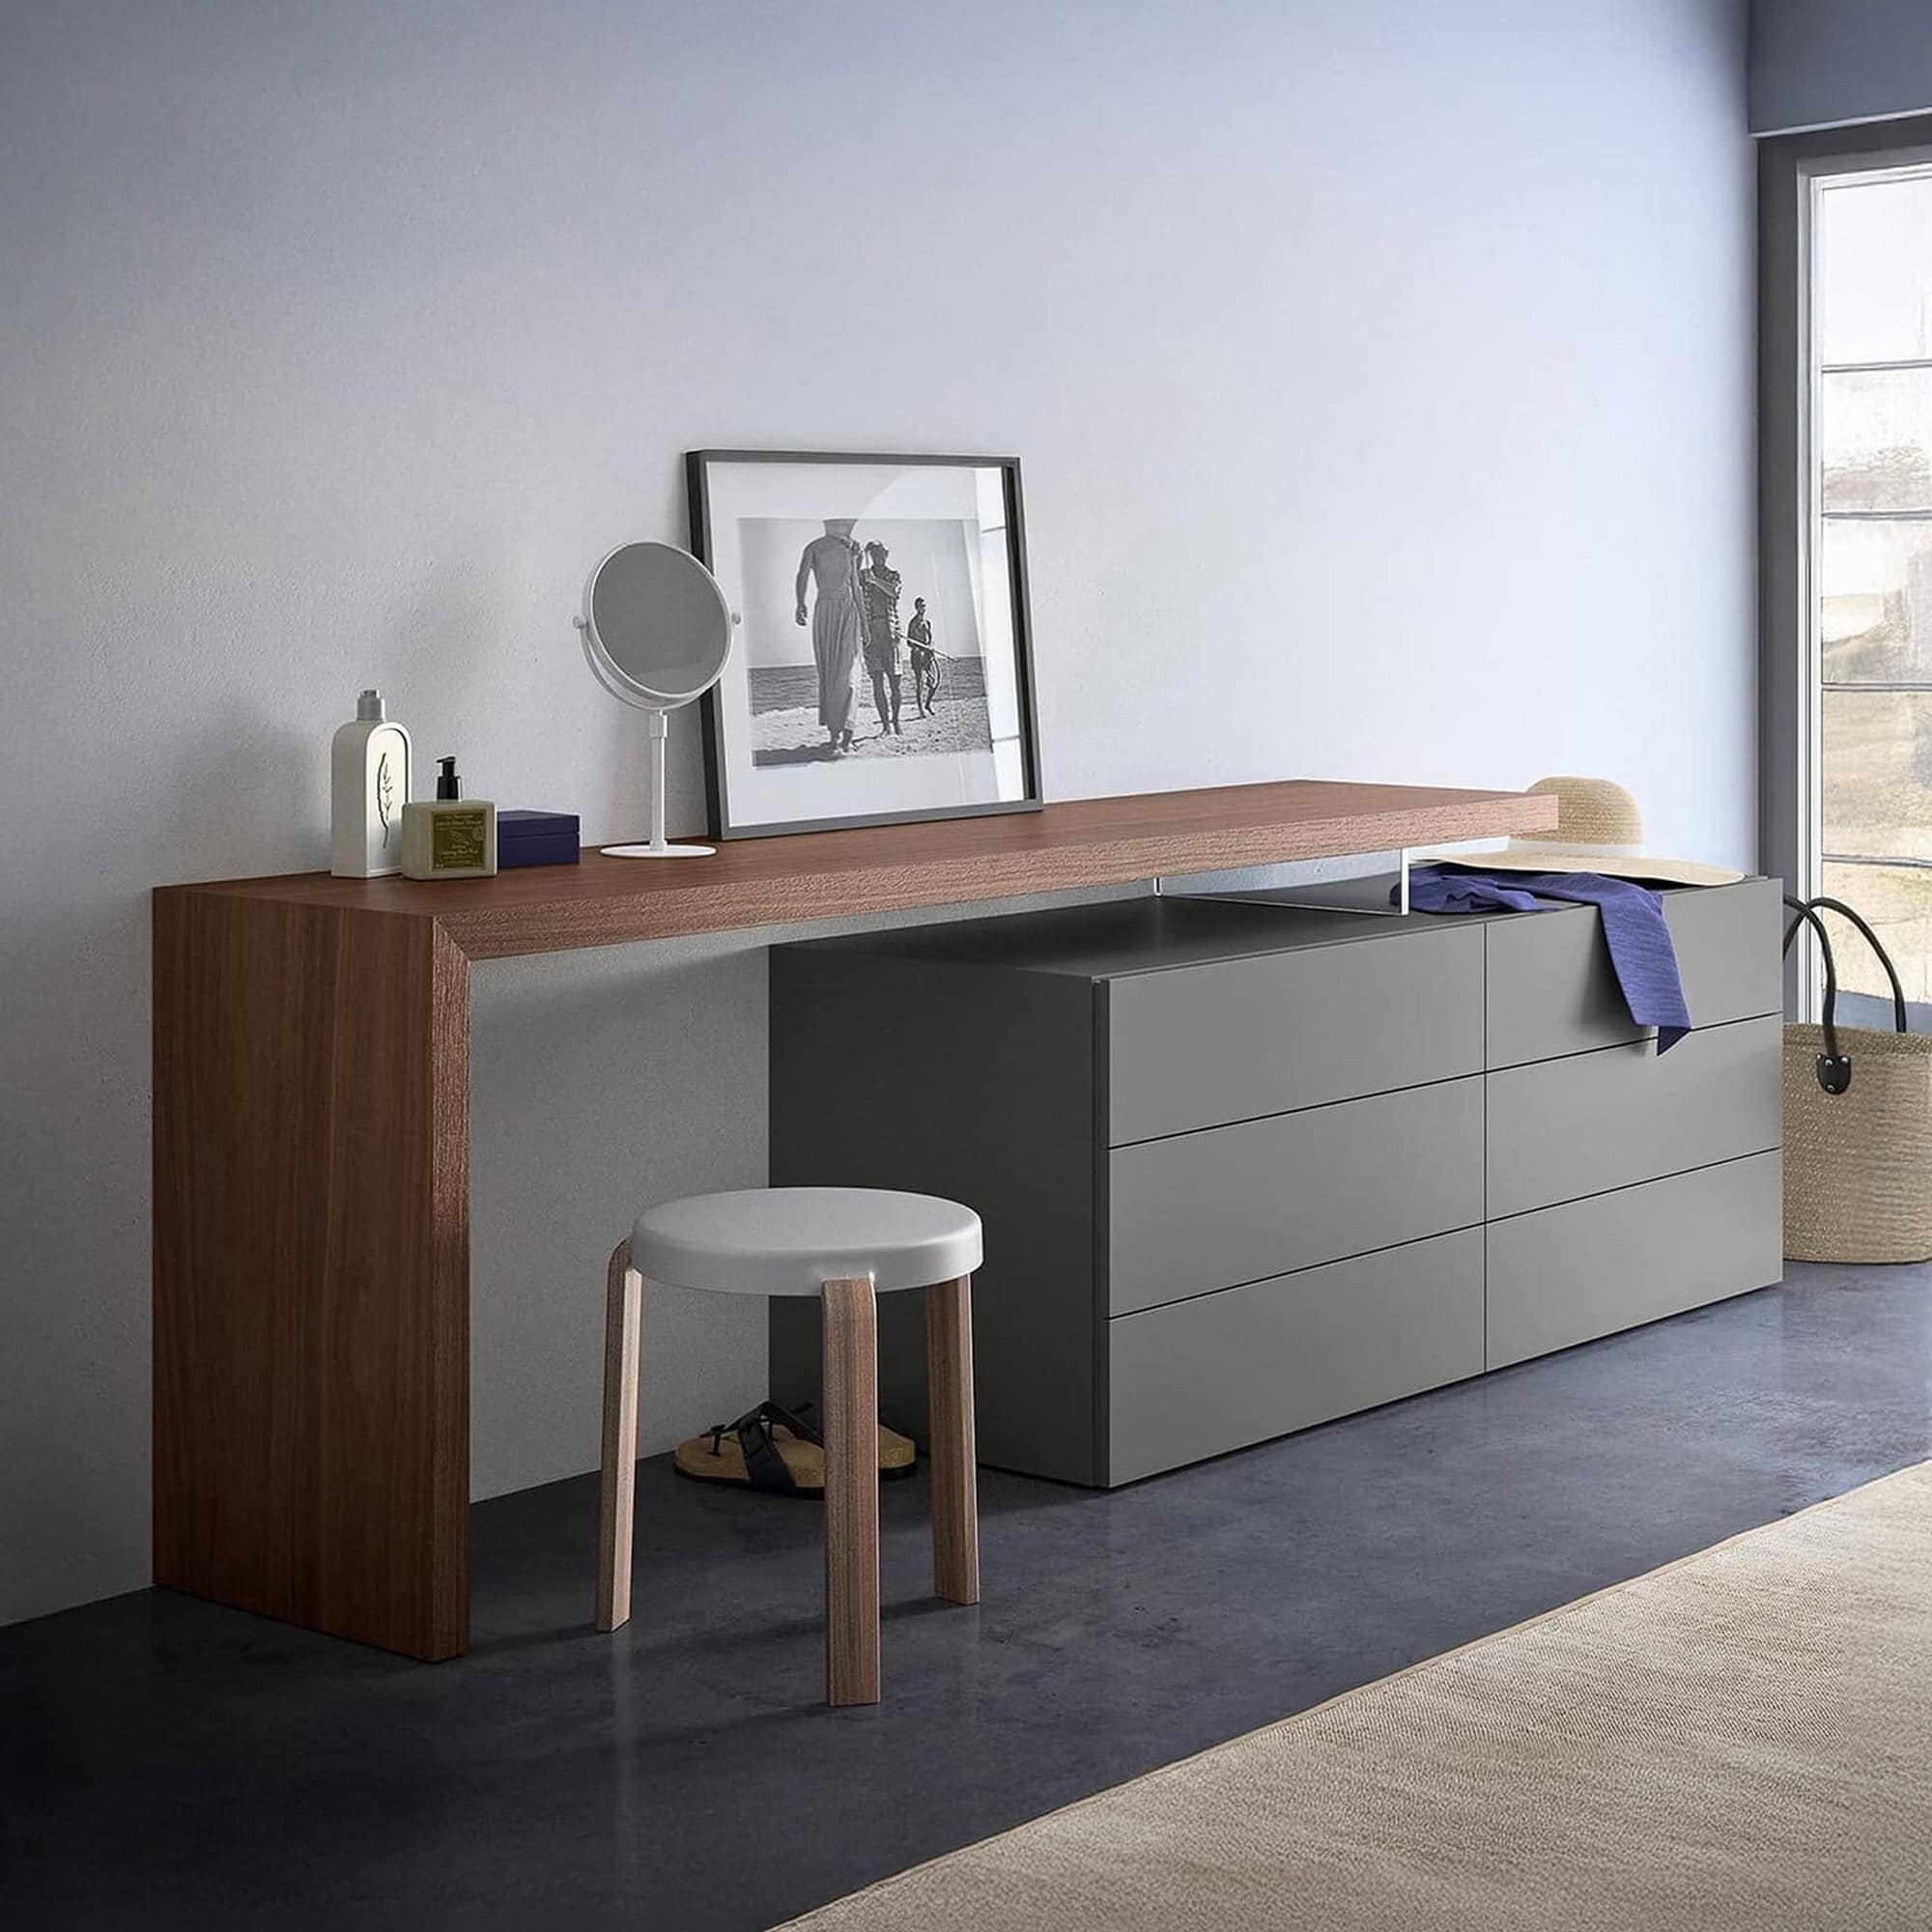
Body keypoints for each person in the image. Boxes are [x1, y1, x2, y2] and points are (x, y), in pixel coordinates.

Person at [794, 520, 863, 752]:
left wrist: (865, 622)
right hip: (825, 610)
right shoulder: (813, 547)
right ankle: (835, 733)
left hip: (848, 610)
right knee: (831, 673)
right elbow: (802, 575)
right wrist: (800, 603)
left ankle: (848, 732)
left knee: (849, 673)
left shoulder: (851, 549)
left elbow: (856, 585)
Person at [859, 540, 904, 736]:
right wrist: (859, 554)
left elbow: (894, 592)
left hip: (890, 631)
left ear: (886, 555)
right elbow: (849, 576)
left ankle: (896, 722)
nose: (878, 557)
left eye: (881, 554)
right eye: (874, 554)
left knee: (895, 682)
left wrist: (875, 580)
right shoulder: (862, 575)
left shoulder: (893, 575)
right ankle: (885, 725)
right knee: (876, 681)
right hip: (870, 632)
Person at [904, 597, 938, 717]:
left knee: (934, 681)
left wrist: (931, 646)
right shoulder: (913, 623)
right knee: (920, 683)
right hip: (917, 655)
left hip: (928, 655)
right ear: (916, 608)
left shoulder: (928, 622)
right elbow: (908, 642)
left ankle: (928, 704)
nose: (922, 609)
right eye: (920, 606)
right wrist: (916, 648)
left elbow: (931, 638)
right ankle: (920, 710)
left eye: (924, 606)